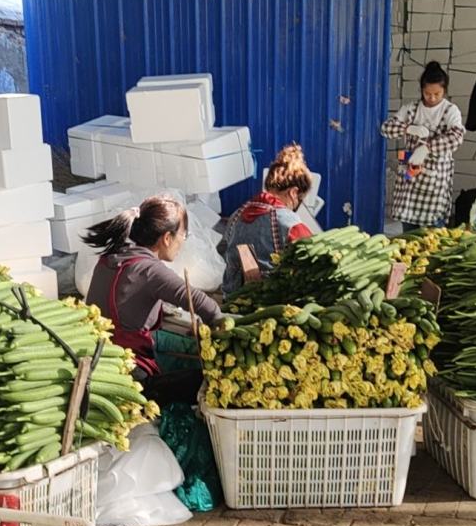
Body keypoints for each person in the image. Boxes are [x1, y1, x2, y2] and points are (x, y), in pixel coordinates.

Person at [85, 195, 221, 404]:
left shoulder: (112, 258)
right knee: (209, 381)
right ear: (167, 238)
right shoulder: (149, 270)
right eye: (183, 235)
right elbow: (202, 303)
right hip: (127, 375)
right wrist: (221, 327)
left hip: (98, 360)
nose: (182, 242)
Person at [220, 143, 313, 297]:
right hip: (270, 309)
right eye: (299, 200)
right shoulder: (291, 224)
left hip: (232, 304)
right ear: (293, 193)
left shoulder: (235, 216)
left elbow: (223, 252)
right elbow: (310, 264)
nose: (296, 206)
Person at [381, 62, 465, 230]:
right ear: (421, 90)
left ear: (445, 91)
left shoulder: (450, 111)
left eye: (437, 94)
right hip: (410, 179)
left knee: (433, 233)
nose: (432, 98)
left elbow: (456, 137)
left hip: (436, 181)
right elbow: (386, 128)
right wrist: (408, 128)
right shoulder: (411, 109)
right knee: (409, 232)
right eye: (427, 93)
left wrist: (427, 147)